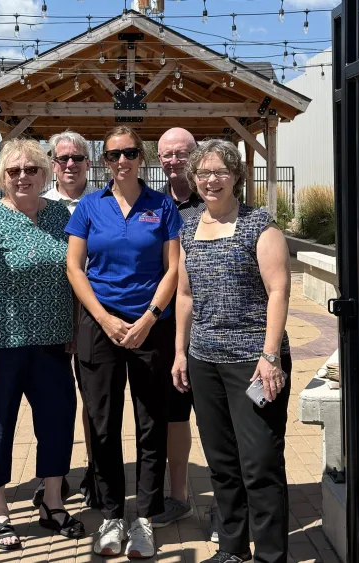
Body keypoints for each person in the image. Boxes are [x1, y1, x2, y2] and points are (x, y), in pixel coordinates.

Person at [0, 138, 84, 551]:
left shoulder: (60, 218)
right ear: (2, 178)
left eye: (31, 170)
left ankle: (51, 502)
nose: (23, 177)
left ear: (45, 174)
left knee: (57, 421)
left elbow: (75, 274)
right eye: (14, 171)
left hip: (51, 344)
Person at [172, 139, 292, 563]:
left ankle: (271, 555)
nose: (211, 180)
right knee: (222, 463)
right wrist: (180, 353)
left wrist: (270, 355)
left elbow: (278, 291)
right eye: (203, 173)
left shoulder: (261, 226)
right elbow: (184, 295)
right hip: (205, 362)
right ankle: (233, 549)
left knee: (259, 462)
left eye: (220, 171)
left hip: (253, 363)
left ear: (236, 176)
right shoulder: (187, 227)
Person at [65, 126, 181, 558]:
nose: (122, 161)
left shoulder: (162, 206)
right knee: (102, 424)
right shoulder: (90, 207)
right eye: (113, 155)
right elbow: (75, 267)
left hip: (151, 326)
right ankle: (113, 515)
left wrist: (150, 317)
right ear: (104, 162)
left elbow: (173, 269)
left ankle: (146, 517)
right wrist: (103, 318)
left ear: (141, 157)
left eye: (130, 153)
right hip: (100, 326)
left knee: (151, 422)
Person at [31, 130, 104, 511]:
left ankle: (97, 470)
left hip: (95, 319)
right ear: (53, 164)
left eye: (78, 158)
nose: (70, 165)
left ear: (88, 163)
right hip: (50, 321)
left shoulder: (104, 203)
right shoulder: (38, 206)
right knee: (51, 406)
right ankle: (50, 478)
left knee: (95, 404)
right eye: (63, 159)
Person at [150, 127, 206, 529]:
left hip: (213, 328)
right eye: (167, 155)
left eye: (181, 153)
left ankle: (231, 504)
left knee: (223, 420)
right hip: (169, 330)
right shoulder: (153, 206)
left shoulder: (217, 203)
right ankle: (179, 496)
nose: (173, 161)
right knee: (174, 414)